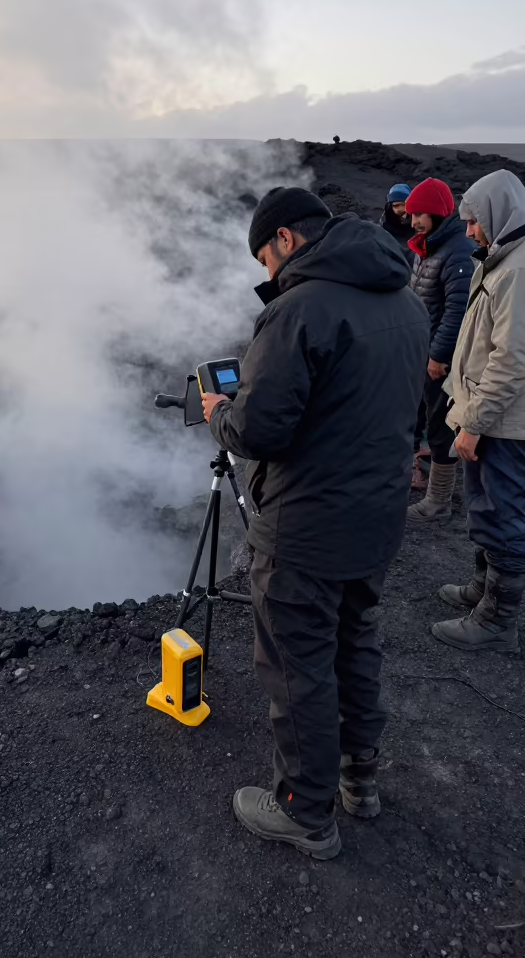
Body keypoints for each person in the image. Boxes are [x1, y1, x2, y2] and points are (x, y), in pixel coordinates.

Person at [201, 186, 429, 860]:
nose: (267, 273)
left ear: (286, 241)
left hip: (306, 527)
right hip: (376, 516)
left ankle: (304, 809)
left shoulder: (299, 311)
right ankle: (361, 778)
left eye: (264, 257)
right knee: (354, 641)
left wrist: (219, 409)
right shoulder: (405, 298)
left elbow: (258, 429)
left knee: (297, 664)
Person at [431, 169, 525, 653]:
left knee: (503, 513)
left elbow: (511, 361)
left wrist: (473, 424)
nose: (468, 231)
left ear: (497, 215)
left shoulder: (517, 271)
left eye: (474, 222)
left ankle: (496, 621)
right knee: (488, 508)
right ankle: (482, 588)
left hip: (504, 424)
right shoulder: (501, 261)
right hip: (492, 416)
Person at [405, 177, 475, 521]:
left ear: (438, 212)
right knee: (422, 418)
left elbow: (456, 310)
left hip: (439, 359)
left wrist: (438, 356)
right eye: (412, 213)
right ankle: (424, 478)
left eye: (420, 213)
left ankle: (439, 501)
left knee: (440, 424)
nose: (413, 219)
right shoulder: (428, 246)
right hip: (422, 351)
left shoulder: (456, 251)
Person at [380, 182, 413, 261]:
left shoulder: (419, 223)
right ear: (390, 207)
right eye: (396, 205)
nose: (400, 209)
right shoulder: (384, 226)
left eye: (404, 204)